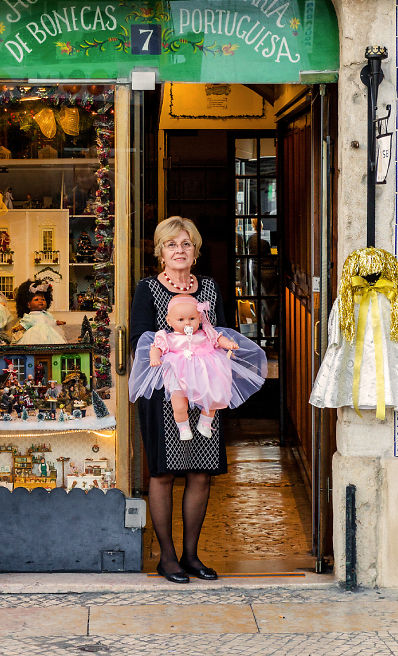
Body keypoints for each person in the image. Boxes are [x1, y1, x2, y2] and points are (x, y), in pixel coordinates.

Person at [130, 216, 228, 584]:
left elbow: (222, 332)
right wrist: (178, 357)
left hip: (205, 392)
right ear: (161, 252)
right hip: (163, 391)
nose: (179, 250)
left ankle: (191, 556)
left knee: (200, 472)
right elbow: (141, 341)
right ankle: (167, 559)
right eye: (171, 244)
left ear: (196, 250)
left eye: (186, 244)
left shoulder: (211, 289)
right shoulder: (148, 289)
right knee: (164, 472)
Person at [131, 294, 265, 440]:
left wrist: (228, 344)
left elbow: (219, 339)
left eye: (192, 319)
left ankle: (205, 422)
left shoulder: (206, 334)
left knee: (216, 395)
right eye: (181, 320)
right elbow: (156, 347)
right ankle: (183, 427)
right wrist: (155, 357)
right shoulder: (167, 337)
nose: (187, 323)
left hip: (204, 375)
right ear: (169, 321)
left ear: (200, 318)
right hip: (178, 374)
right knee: (179, 405)